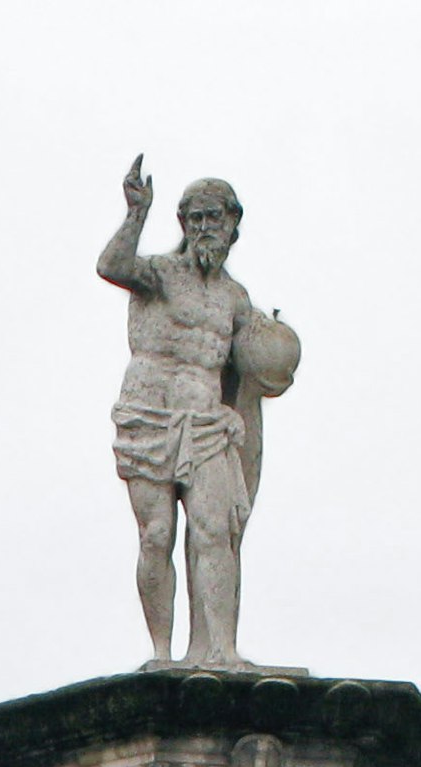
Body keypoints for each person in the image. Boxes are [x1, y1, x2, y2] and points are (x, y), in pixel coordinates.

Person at [99, 161, 298, 668]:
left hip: (208, 422)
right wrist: (136, 213)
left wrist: (266, 371)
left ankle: (220, 650)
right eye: (195, 218)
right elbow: (112, 265)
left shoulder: (234, 299)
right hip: (149, 413)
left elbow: (248, 370)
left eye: (215, 218)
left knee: (215, 531)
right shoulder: (162, 275)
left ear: (234, 225)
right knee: (157, 533)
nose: (205, 227)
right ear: (183, 224)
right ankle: (163, 653)